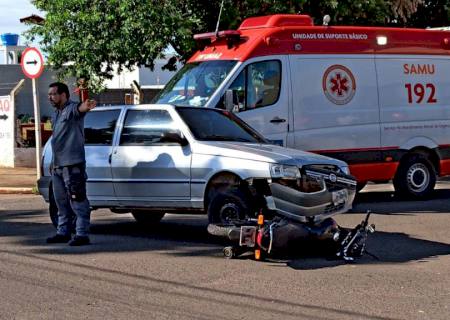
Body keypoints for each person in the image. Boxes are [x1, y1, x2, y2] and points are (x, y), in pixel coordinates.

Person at [46, 82, 96, 246]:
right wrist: (53, 163)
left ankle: (82, 234)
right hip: (58, 166)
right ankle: (63, 232)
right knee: (60, 202)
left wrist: (86, 105)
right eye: (49, 94)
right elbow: (57, 141)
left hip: (73, 165)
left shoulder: (72, 109)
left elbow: (81, 108)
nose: (50, 97)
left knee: (78, 200)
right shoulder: (56, 114)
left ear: (63, 95)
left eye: (53, 94)